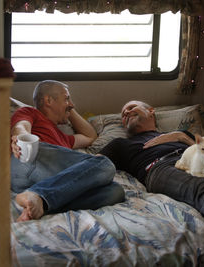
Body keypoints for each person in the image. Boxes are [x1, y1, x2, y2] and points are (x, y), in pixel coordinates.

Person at [10, 80, 125, 221]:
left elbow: (90, 136)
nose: (72, 104)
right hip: (29, 159)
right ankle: (40, 195)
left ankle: (38, 201)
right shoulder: (30, 112)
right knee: (105, 164)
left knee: (115, 191)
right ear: (48, 100)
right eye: (67, 98)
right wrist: (22, 138)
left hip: (45, 180)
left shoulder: (64, 139)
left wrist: (68, 108)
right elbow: (21, 126)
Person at [98, 100, 204, 225]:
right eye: (123, 115)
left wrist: (182, 137)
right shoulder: (120, 144)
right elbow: (93, 163)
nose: (126, 112)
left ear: (151, 111)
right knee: (201, 189)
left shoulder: (181, 134)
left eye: (131, 107)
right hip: (161, 167)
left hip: (196, 159)